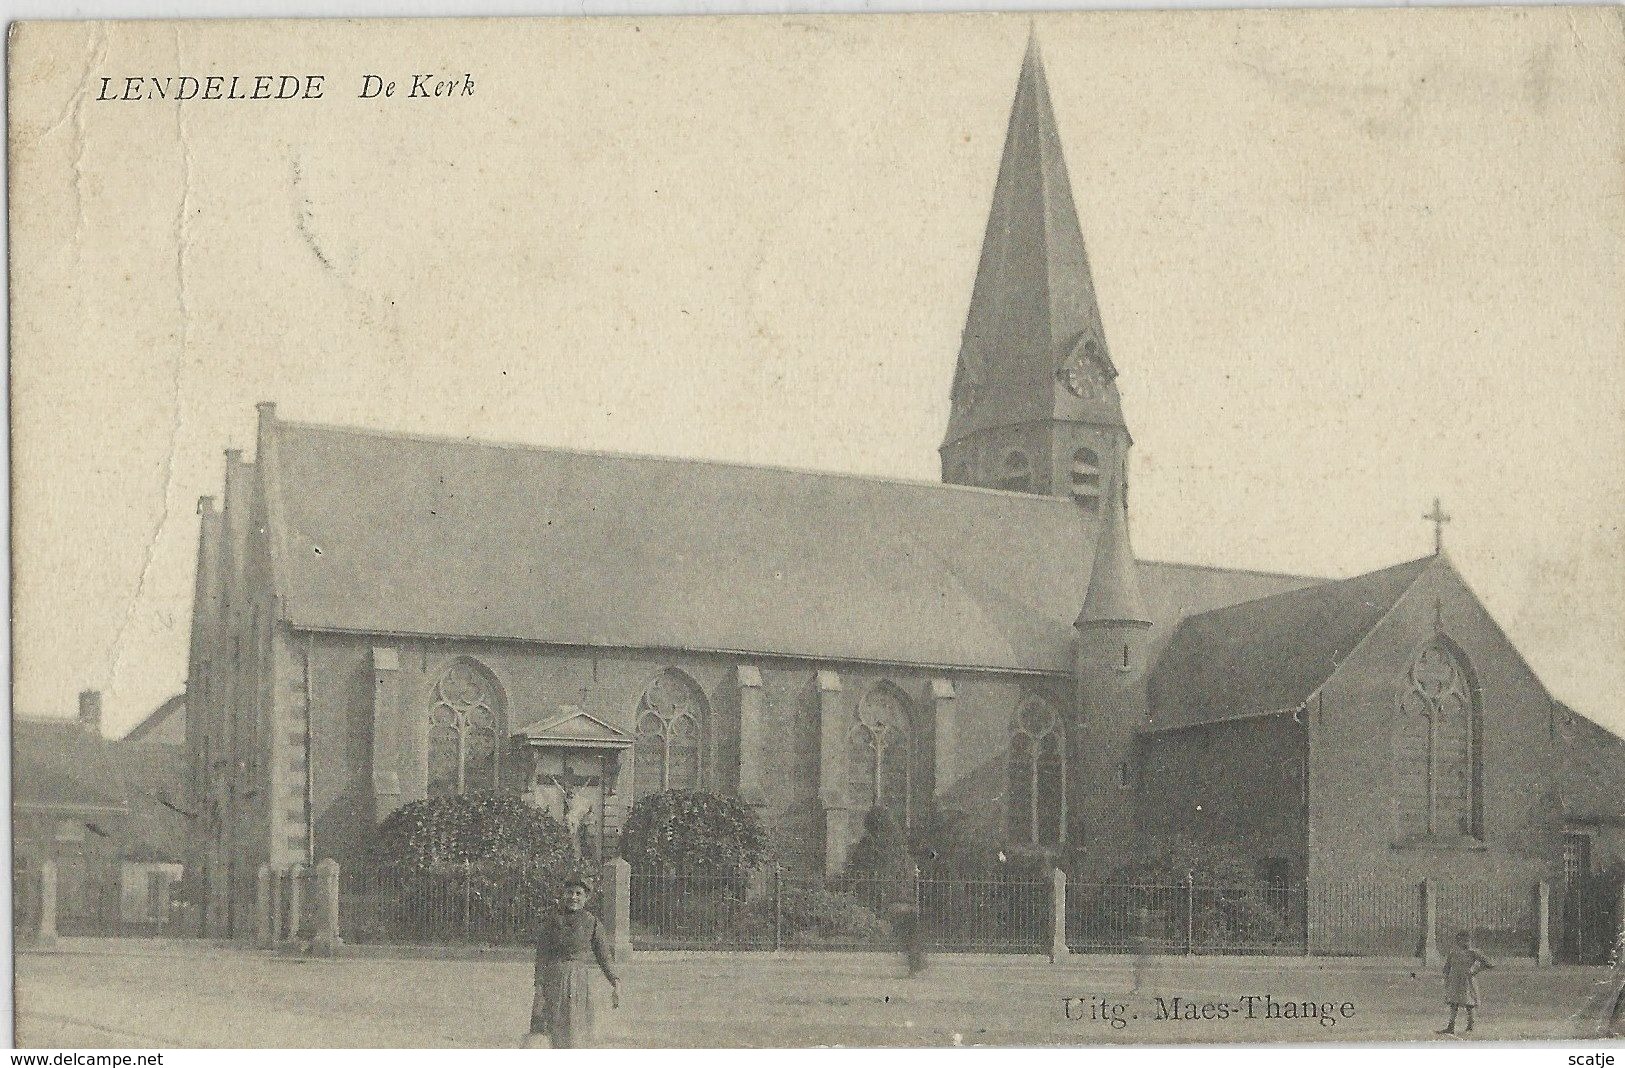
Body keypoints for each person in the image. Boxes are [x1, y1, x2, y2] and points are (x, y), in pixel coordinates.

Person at [524, 874, 620, 1049]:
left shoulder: (592, 922)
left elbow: (603, 955)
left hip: (578, 981)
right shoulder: (553, 920)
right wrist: (539, 984)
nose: (573, 898)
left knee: (576, 1029)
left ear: (586, 897)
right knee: (549, 1027)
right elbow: (542, 954)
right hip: (553, 979)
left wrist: (614, 980)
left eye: (578, 893)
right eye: (570, 893)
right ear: (563, 894)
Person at [1438, 929, 1494, 1036]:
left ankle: (1470, 1026)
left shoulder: (1473, 952)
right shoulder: (1453, 953)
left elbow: (1489, 964)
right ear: (1458, 941)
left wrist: (1475, 970)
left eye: (1467, 940)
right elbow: (1446, 968)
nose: (1465, 942)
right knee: (1453, 1003)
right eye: (1462, 940)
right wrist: (1446, 979)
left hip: (1468, 982)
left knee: (1469, 1004)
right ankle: (1451, 1026)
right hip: (1455, 981)